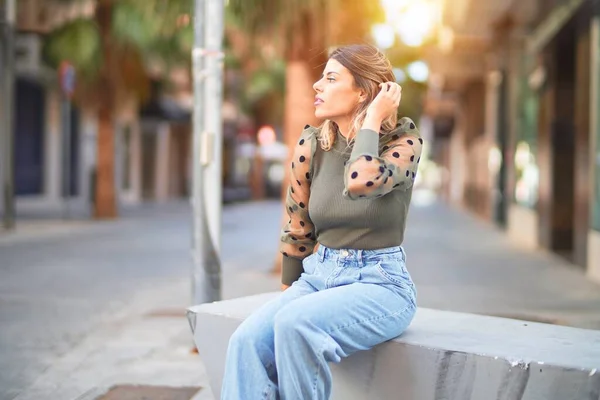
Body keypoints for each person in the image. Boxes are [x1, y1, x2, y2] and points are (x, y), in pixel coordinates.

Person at [222, 43, 423, 400]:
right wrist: (289, 294)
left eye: (330, 79)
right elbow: (298, 227)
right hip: (318, 277)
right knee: (247, 341)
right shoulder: (312, 145)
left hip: (380, 284)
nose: (317, 85)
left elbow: (361, 180)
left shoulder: (402, 141)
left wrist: (373, 121)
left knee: (296, 325)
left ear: (364, 91)